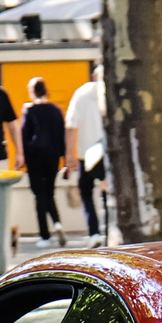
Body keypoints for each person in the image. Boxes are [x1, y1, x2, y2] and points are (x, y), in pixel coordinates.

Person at [19, 77, 67, 245]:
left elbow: (24, 136)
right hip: (53, 157)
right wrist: (64, 158)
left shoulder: (29, 110)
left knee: (39, 195)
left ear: (32, 92)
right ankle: (58, 224)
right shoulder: (56, 110)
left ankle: (45, 235)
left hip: (35, 157)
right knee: (49, 192)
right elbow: (62, 135)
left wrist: (22, 157)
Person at [70, 74, 107, 239]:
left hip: (86, 154)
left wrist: (69, 153)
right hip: (107, 152)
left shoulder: (81, 93)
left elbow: (71, 124)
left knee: (86, 193)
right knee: (108, 193)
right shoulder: (114, 92)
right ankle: (109, 228)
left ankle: (94, 231)